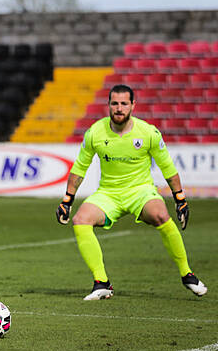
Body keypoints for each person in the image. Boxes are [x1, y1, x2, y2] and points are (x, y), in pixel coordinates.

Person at [55, 84, 207, 300]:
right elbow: (79, 169)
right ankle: (102, 283)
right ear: (108, 105)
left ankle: (187, 275)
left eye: (124, 103)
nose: (119, 108)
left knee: (161, 215)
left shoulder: (148, 132)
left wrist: (180, 199)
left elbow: (168, 169)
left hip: (141, 192)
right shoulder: (95, 132)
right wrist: (67, 200)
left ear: (133, 105)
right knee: (80, 220)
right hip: (108, 193)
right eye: (114, 103)